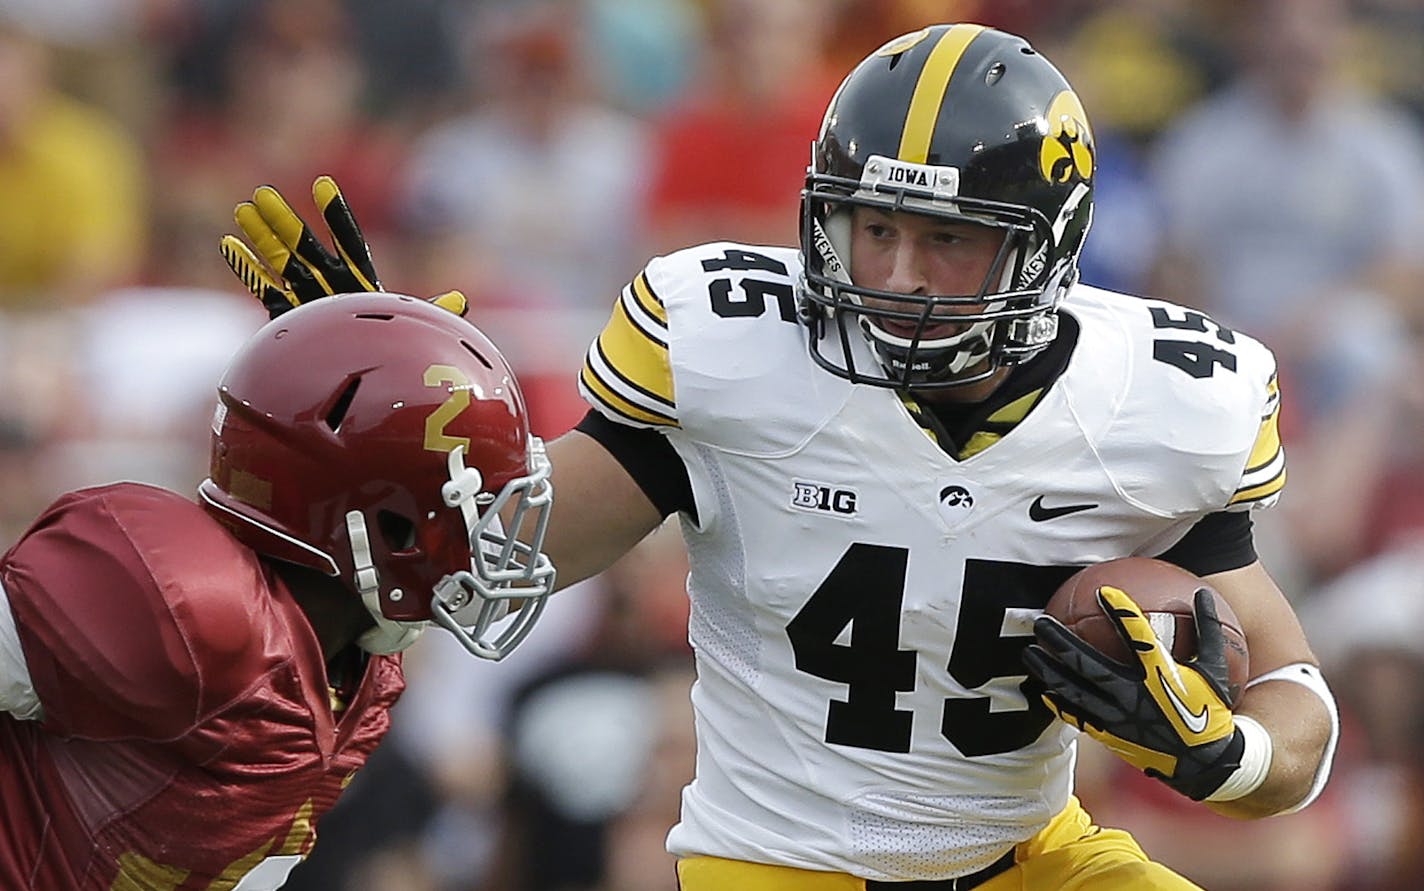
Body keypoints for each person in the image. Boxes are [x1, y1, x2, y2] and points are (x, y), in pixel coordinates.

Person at [225, 24, 1339, 890]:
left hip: (1029, 856)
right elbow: (514, 557)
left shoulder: (1166, 399)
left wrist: (1223, 757)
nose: (897, 273)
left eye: (947, 238)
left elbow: (1291, 691)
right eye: (873, 227)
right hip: (776, 866)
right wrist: (391, 433)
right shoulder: (728, 345)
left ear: (1042, 250)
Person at [0, 280, 556, 887]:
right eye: (474, 509)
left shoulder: (360, 675)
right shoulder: (194, 613)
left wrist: (351, 351)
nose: (490, 543)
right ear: (390, 524)